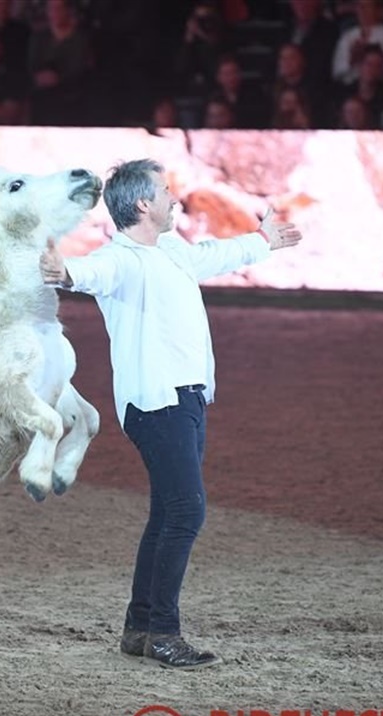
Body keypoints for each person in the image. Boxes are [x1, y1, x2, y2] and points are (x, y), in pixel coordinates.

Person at [38, 159, 302, 670]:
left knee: (169, 512)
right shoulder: (121, 259)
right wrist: (63, 272)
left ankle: (140, 629)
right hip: (157, 403)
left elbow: (211, 256)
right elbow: (89, 273)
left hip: (184, 400)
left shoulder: (171, 250)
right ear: (143, 203)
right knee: (186, 511)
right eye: (164, 190)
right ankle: (163, 632)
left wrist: (262, 241)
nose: (173, 198)